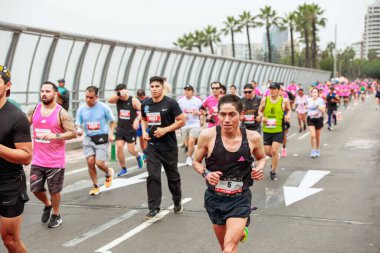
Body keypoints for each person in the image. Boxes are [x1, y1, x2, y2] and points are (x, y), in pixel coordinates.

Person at [193, 94, 265, 253]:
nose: (226, 119)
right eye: (222, 114)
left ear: (241, 114)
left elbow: (261, 158)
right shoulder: (208, 135)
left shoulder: (252, 137)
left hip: (240, 199)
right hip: (215, 198)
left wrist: (259, 168)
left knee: (229, 247)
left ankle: (239, 228)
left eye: (232, 114)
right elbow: (196, 161)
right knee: (225, 247)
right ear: (217, 114)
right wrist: (206, 174)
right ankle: (239, 232)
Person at [27, 81, 77, 228]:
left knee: (54, 190)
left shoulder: (61, 113)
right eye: (42, 91)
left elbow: (73, 133)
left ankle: (56, 215)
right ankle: (47, 204)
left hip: (55, 161)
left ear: (55, 94)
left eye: (47, 91)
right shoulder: (35, 109)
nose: (44, 94)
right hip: (37, 159)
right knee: (35, 189)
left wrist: (56, 136)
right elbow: (23, 125)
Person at [141, 76, 186, 220]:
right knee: (153, 176)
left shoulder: (171, 103)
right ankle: (154, 208)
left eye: (157, 86)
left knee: (172, 177)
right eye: (152, 86)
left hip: (169, 147)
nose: (154, 89)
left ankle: (177, 200)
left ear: (162, 87)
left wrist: (165, 130)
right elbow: (143, 119)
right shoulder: (146, 104)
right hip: (153, 146)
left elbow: (181, 121)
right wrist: (144, 132)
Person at [0, 65, 32, 253]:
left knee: (10, 240)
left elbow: (26, 156)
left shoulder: (17, 117)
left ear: (7, 85)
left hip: (9, 186)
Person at [75, 86, 116, 195]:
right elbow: (78, 122)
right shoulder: (81, 109)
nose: (88, 100)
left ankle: (108, 171)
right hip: (88, 138)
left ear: (96, 97)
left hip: (102, 138)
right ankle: (95, 186)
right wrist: (78, 129)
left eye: (91, 97)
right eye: (87, 97)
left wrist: (111, 133)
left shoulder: (104, 107)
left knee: (99, 163)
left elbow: (112, 121)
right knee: (90, 162)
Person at [108, 84, 143, 177]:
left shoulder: (133, 100)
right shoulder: (117, 99)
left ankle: (138, 156)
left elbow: (142, 110)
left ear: (126, 90)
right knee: (119, 147)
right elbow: (109, 100)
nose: (120, 93)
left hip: (130, 129)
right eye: (118, 92)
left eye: (122, 91)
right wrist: (119, 94)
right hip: (120, 128)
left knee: (131, 150)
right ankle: (123, 168)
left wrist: (137, 120)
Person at [258, 82, 290, 180]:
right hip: (267, 129)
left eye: (274, 89)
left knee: (274, 150)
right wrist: (262, 117)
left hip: (278, 129)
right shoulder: (265, 100)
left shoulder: (284, 101)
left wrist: (288, 115)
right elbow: (259, 111)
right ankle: (276, 157)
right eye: (270, 88)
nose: (271, 91)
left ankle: (273, 171)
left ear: (278, 90)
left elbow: (289, 109)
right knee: (268, 152)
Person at [177, 84, 202, 166]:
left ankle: (189, 157)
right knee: (186, 143)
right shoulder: (180, 101)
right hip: (184, 125)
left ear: (192, 92)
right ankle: (193, 150)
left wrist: (197, 112)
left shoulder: (198, 101)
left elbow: (203, 111)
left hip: (195, 124)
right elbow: (177, 113)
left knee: (191, 141)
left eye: (189, 90)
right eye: (185, 90)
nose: (187, 91)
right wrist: (183, 116)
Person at [306, 88, 326, 158]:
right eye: (313, 92)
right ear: (311, 93)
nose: (314, 94)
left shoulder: (321, 101)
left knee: (317, 136)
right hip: (310, 119)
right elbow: (305, 107)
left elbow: (323, 110)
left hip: (318, 119)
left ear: (318, 93)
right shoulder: (308, 100)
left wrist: (318, 107)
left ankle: (317, 149)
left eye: (316, 92)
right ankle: (313, 150)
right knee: (312, 135)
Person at [136, 89, 149, 161]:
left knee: (145, 139)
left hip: (146, 122)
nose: (141, 98)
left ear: (144, 95)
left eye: (142, 97)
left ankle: (147, 154)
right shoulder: (136, 100)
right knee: (140, 139)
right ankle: (144, 152)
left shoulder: (148, 100)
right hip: (139, 123)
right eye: (139, 97)